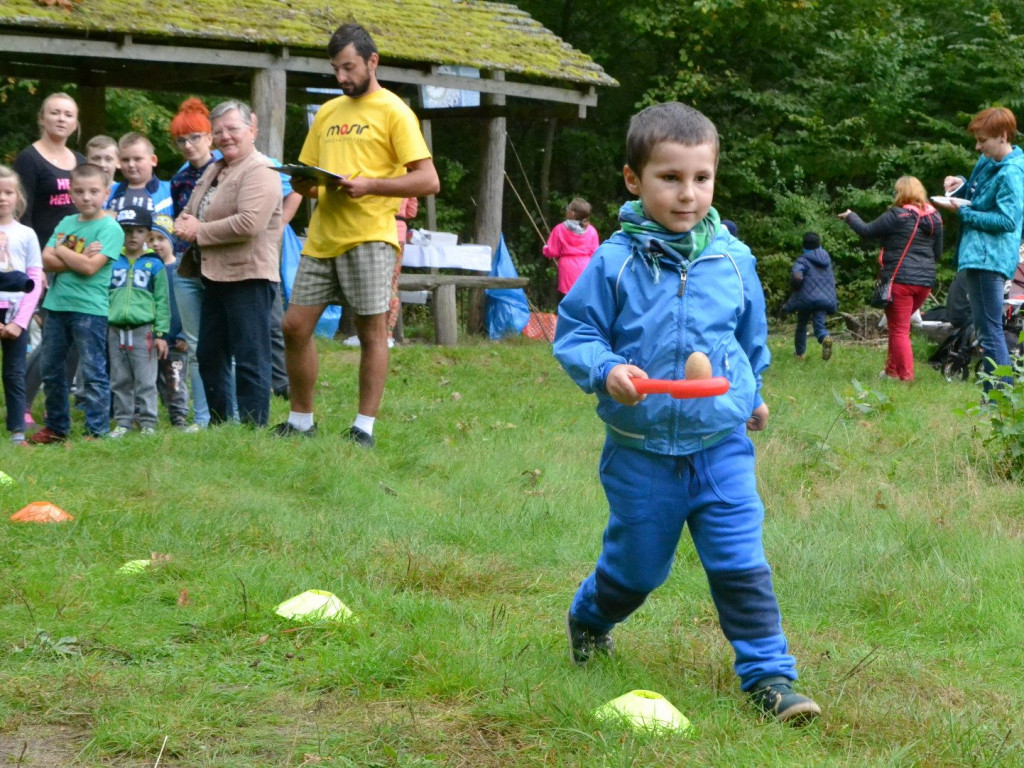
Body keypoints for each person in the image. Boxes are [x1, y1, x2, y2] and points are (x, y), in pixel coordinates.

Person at [554, 102, 820, 724]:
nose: (687, 194)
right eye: (669, 178)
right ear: (633, 180)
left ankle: (770, 677)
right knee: (638, 571)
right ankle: (591, 615)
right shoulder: (614, 263)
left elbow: (750, 340)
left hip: (719, 444)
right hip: (641, 448)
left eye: (701, 178)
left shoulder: (734, 260)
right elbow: (576, 333)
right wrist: (606, 370)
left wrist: (751, 395)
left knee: (740, 560)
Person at [276, 23, 440, 446]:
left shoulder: (394, 111)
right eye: (336, 69)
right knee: (294, 327)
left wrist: (370, 184)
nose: (342, 77)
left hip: (370, 236)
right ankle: (300, 422)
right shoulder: (328, 113)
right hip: (321, 238)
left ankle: (363, 428)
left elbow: (428, 180)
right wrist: (303, 184)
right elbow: (313, 178)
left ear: (372, 61)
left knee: (371, 334)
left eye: (348, 67)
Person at [174, 100, 282, 427]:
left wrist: (198, 230)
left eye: (233, 128)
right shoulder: (216, 168)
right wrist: (184, 221)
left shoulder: (261, 170)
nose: (225, 136)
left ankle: (252, 430)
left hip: (249, 276)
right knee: (209, 355)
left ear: (252, 129)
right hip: (213, 276)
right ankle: (221, 428)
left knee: (250, 358)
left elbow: (249, 223)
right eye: (218, 131)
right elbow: (192, 208)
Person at [29, 163, 123, 443]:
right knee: (51, 369)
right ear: (70, 193)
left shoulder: (111, 228)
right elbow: (45, 259)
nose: (86, 197)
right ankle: (57, 428)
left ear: (106, 192)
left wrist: (62, 249)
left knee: (93, 370)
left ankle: (97, 430)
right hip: (56, 307)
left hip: (89, 309)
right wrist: (75, 256)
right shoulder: (67, 223)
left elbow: (91, 268)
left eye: (94, 191)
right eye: (80, 191)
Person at [935, 107, 1024, 386]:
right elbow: (976, 193)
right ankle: (995, 397)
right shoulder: (988, 162)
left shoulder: (1011, 173)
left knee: (989, 332)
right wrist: (959, 184)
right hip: (977, 255)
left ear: (1003, 136)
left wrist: (963, 214)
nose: (978, 145)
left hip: (990, 258)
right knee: (988, 330)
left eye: (983, 140)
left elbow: (1008, 220)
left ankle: (998, 399)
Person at [840, 176, 943, 381]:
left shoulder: (897, 215)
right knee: (900, 325)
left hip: (900, 280)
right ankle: (891, 371)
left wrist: (851, 216)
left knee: (899, 330)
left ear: (902, 193)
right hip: (925, 283)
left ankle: (906, 378)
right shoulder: (935, 218)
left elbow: (867, 231)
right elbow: (937, 253)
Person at [169, 98, 217, 428]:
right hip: (186, 267)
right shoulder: (178, 179)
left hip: (220, 266)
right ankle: (201, 418)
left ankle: (230, 416)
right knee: (196, 345)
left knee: (222, 344)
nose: (188, 145)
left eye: (195, 137)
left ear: (210, 137)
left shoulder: (226, 170)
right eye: (181, 140)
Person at [107, 206, 170, 438]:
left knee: (145, 380)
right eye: (127, 230)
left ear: (148, 234)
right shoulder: (112, 260)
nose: (133, 236)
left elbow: (163, 301)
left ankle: (148, 423)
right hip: (115, 329)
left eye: (139, 231)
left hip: (144, 330)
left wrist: (161, 334)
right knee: (120, 378)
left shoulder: (154, 264)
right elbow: (105, 294)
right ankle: (123, 422)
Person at [0, 165, 44, 445]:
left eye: (8, 192)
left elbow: (34, 279)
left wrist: (20, 322)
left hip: (18, 313)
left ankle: (17, 429)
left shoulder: (27, 234)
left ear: (18, 197)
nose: (2, 198)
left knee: (14, 372)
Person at [12, 92, 85, 249]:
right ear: (42, 119)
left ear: (75, 124)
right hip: (41, 248)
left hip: (77, 249)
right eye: (55, 113)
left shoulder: (81, 161)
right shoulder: (29, 159)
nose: (61, 119)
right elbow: (21, 212)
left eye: (68, 115)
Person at [148, 214, 196, 431]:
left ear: (172, 241)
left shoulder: (180, 270)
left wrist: (184, 335)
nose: (156, 244)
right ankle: (160, 411)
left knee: (174, 378)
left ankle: (179, 416)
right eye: (151, 239)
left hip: (177, 340)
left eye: (161, 238)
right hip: (153, 338)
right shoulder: (147, 269)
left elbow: (187, 306)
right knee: (156, 380)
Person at [782, 232, 837, 361]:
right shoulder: (826, 259)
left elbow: (797, 276)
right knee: (819, 326)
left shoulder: (802, 260)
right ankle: (824, 338)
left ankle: (800, 354)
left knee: (802, 325)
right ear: (819, 244)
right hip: (824, 299)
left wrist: (796, 286)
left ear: (804, 246)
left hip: (806, 299)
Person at [543, 197, 600, 300]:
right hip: (586, 267)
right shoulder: (591, 230)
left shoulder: (560, 229)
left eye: (568, 208)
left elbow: (552, 251)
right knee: (584, 299)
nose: (566, 209)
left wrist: (545, 249)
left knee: (567, 299)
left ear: (573, 214)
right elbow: (595, 253)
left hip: (567, 269)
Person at [106, 133, 173, 218]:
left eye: (137, 159)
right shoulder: (109, 192)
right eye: (125, 160)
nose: (131, 164)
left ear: (153, 160)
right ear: (119, 162)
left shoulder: (171, 190)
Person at [85, 135, 120, 203]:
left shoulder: (124, 191)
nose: (102, 164)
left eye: (108, 159)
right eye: (96, 159)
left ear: (118, 162)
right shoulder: (79, 193)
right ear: (86, 161)